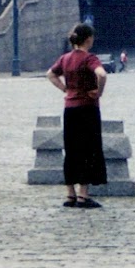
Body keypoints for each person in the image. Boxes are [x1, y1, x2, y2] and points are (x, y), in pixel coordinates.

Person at [47, 23, 109, 208]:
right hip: (87, 108)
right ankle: (83, 195)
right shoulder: (89, 58)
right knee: (88, 149)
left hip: (70, 108)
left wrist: (65, 88)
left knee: (71, 150)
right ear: (88, 39)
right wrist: (98, 91)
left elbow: (50, 74)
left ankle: (70, 194)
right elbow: (102, 74)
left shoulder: (65, 58)